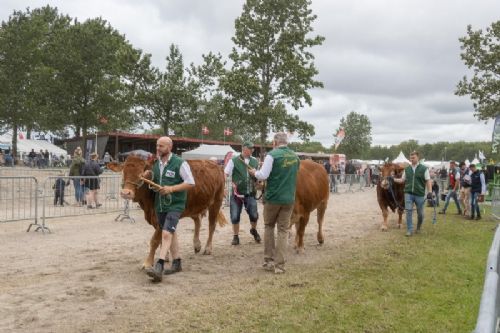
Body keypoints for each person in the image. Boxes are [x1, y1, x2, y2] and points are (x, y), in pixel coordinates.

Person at [144, 136, 195, 282]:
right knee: (170, 232)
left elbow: (191, 183)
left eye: (161, 146)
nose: (158, 148)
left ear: (169, 147)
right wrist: (148, 177)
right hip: (160, 204)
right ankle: (177, 262)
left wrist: (172, 188)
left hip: (175, 204)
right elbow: (154, 181)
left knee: (166, 233)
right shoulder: (156, 164)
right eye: (157, 146)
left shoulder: (180, 163)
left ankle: (159, 265)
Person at [249, 132, 299, 274]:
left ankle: (269, 261)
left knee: (269, 227)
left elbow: (263, 175)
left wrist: (254, 172)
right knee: (283, 230)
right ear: (286, 142)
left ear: (275, 142)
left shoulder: (272, 155)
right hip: (289, 198)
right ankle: (280, 265)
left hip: (273, 198)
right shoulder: (295, 157)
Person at [224, 141, 261, 245]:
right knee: (235, 216)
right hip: (237, 194)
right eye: (250, 148)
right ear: (244, 149)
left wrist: (257, 178)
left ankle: (253, 230)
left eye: (253, 148)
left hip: (251, 193)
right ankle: (235, 236)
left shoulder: (255, 161)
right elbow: (225, 173)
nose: (252, 150)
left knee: (254, 215)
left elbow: (259, 177)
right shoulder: (234, 160)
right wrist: (224, 187)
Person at [394, 151, 432, 236]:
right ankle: (409, 230)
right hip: (408, 194)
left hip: (419, 194)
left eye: (413, 157)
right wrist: (393, 179)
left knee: (420, 214)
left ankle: (418, 227)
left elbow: (428, 181)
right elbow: (402, 180)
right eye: (410, 157)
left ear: (418, 157)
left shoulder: (424, 169)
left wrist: (430, 191)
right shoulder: (407, 169)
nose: (412, 159)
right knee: (408, 211)